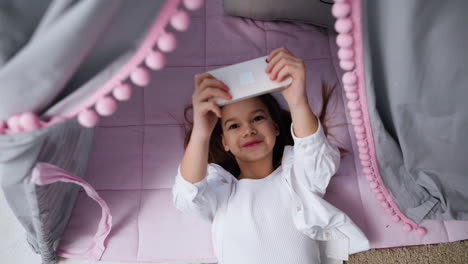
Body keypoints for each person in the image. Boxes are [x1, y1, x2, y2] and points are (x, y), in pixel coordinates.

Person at [172, 47, 369, 264]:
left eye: (257, 118)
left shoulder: (295, 178)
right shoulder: (221, 191)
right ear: (224, 143)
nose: (248, 130)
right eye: (234, 125)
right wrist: (201, 133)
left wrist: (298, 101)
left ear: (275, 127)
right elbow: (187, 195)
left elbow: (316, 156)